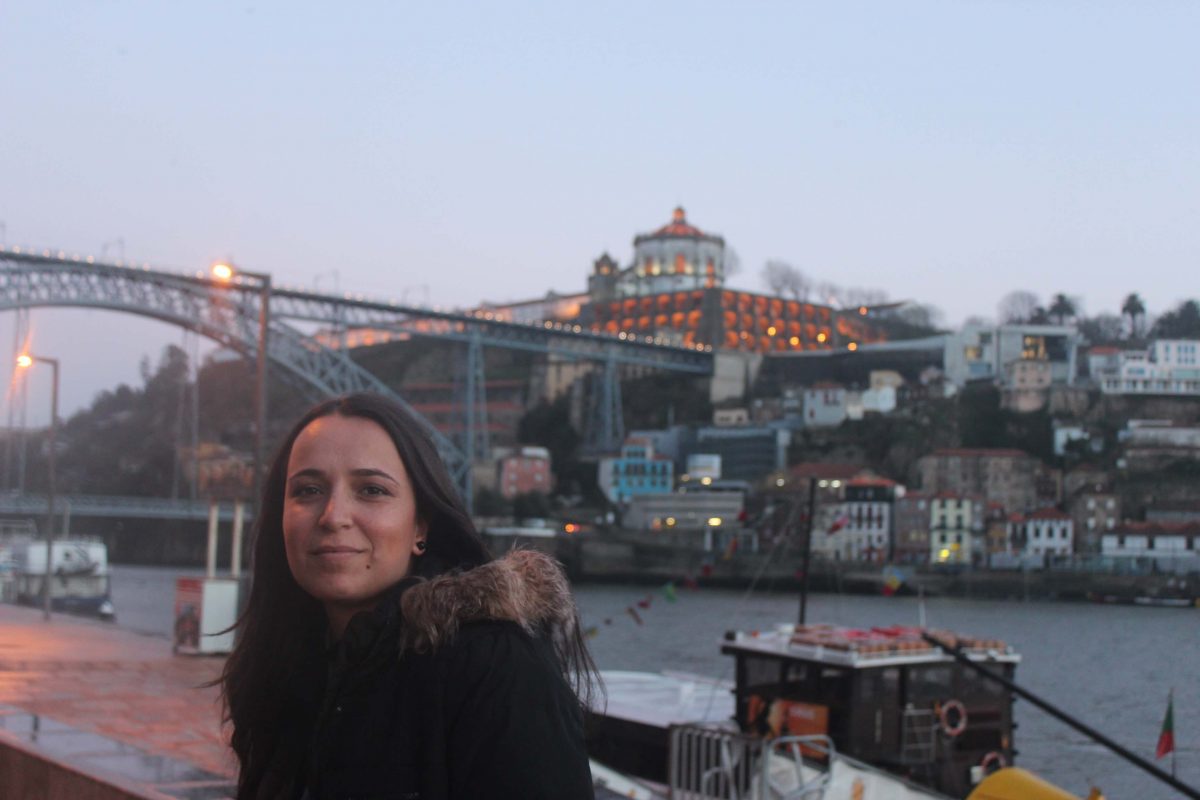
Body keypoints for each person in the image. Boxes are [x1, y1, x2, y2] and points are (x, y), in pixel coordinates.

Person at [219, 393, 596, 799]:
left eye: (372, 490)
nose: (333, 516)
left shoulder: (497, 668)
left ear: (421, 525)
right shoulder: (284, 669)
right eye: (308, 490)